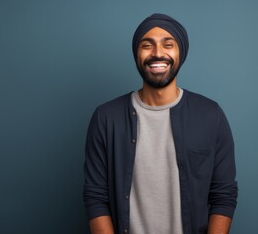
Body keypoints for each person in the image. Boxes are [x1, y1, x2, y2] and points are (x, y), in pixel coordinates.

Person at [83, 13, 238, 234]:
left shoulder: (210, 115)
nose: (157, 53)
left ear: (180, 52)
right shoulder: (106, 118)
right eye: (147, 45)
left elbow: (224, 194)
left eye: (168, 44)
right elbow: (96, 196)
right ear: (136, 53)